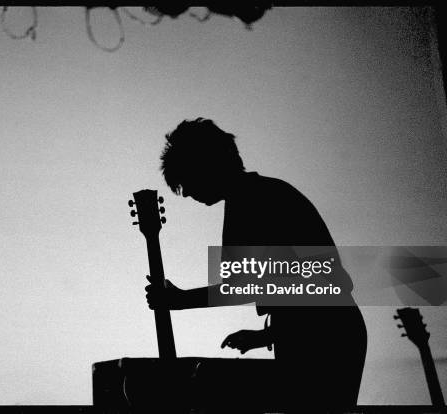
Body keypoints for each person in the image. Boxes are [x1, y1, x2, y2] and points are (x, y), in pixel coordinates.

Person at [145, 118, 367, 409]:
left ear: (205, 166)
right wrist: (268, 336)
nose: (185, 192)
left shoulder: (251, 200)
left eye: (185, 179)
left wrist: (179, 299)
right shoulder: (258, 195)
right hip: (329, 336)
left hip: (327, 343)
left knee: (207, 382)